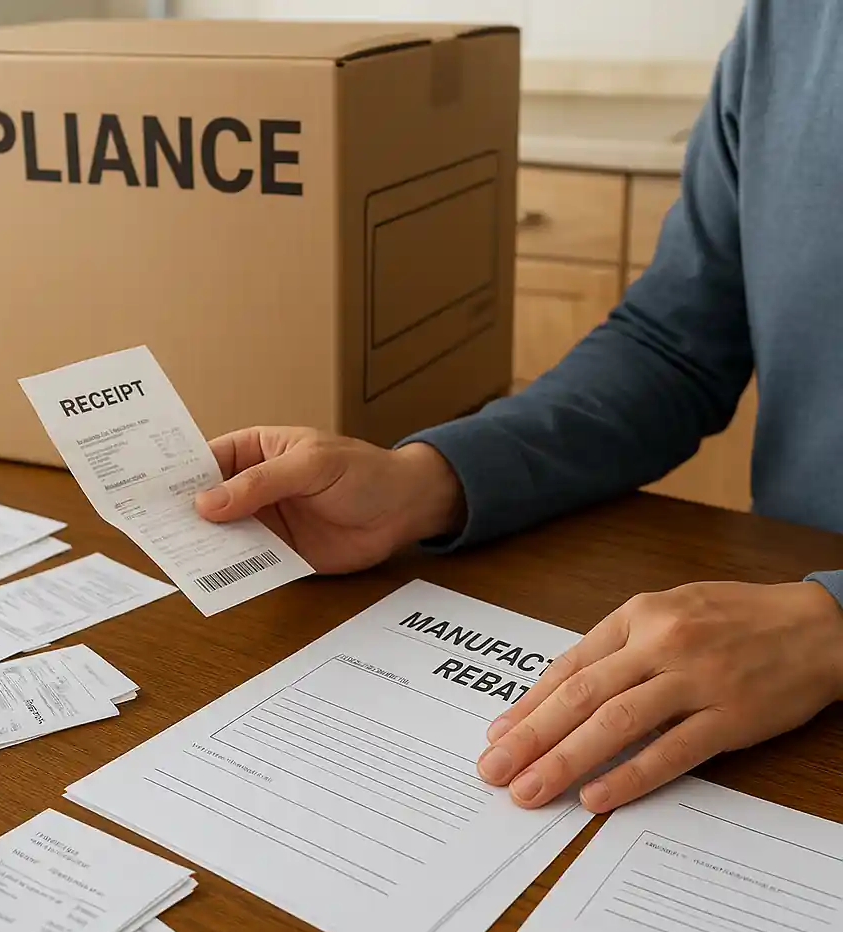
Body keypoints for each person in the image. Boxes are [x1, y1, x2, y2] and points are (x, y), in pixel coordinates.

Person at [195, 0, 843, 816]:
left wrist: (835, 624)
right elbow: (672, 348)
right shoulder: (791, 22)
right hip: (777, 688)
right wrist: (427, 479)